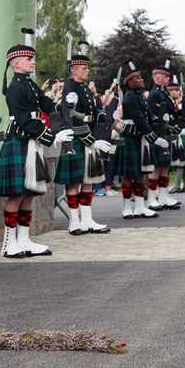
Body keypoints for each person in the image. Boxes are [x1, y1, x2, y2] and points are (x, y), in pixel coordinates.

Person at [0, 33, 74, 257]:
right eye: (29, 59)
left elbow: (46, 104)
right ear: (17, 63)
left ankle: (24, 240)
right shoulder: (16, 88)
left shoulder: (29, 84)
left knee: (28, 194)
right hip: (19, 142)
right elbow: (25, 121)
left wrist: (64, 101)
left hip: (30, 144)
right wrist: (51, 137)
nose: (33, 62)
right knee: (16, 195)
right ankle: (9, 244)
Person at [55, 52, 114, 235]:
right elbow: (71, 118)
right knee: (73, 183)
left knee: (88, 180)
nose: (87, 71)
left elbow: (90, 113)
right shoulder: (70, 87)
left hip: (88, 138)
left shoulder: (84, 88)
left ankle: (87, 220)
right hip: (74, 139)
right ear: (74, 70)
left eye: (88, 68)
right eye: (83, 68)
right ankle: (74, 221)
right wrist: (91, 140)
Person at [116, 61, 158, 219]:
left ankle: (140, 206)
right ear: (129, 82)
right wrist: (151, 135)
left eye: (141, 78)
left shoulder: (139, 96)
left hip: (139, 137)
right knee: (128, 175)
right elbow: (139, 119)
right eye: (137, 79)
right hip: (130, 138)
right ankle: (127, 207)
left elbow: (147, 115)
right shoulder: (129, 98)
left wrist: (155, 125)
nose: (141, 80)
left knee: (140, 173)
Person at [141, 63, 183, 211]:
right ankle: (152, 197)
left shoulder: (163, 93)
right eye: (166, 76)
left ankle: (164, 195)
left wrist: (174, 126)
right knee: (156, 167)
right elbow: (152, 116)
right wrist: (159, 133)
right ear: (158, 77)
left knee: (164, 165)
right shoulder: (154, 94)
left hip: (165, 133)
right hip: (157, 134)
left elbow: (169, 114)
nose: (168, 79)